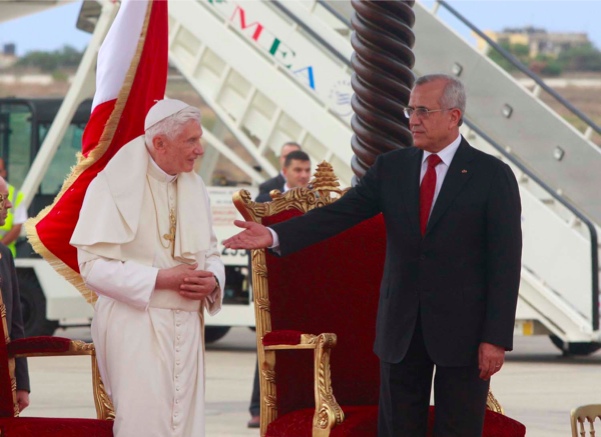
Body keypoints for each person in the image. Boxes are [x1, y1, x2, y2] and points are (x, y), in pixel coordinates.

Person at [224, 74, 522, 437]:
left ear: (454, 116)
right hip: (401, 329)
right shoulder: (392, 167)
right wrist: (274, 233)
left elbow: (505, 263)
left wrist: (495, 337)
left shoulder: (491, 175)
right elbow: (339, 214)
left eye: (423, 111)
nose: (413, 119)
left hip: (464, 335)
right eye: (410, 109)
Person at [71, 99, 225, 437]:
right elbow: (92, 268)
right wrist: (160, 278)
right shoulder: (111, 186)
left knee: (186, 424)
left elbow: (211, 251)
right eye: (191, 141)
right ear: (159, 143)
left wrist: (212, 279)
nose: (199, 150)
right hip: (136, 322)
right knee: (144, 424)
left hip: (187, 323)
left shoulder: (194, 186)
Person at [248, 150, 312, 428]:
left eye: (307, 170)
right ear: (284, 171)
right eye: (298, 170)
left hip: (306, 281)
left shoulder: (318, 200)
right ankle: (258, 407)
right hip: (273, 281)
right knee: (269, 343)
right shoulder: (263, 201)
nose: (304, 176)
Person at [0, 175, 30, 412]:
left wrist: (21, 384)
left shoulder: (5, 254)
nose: (10, 205)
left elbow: (16, 324)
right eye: (4, 198)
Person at [0, 158, 28, 258]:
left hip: (5, 255)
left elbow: (17, 227)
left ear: (4, 172)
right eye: (4, 199)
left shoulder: (16, 195)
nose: (8, 205)